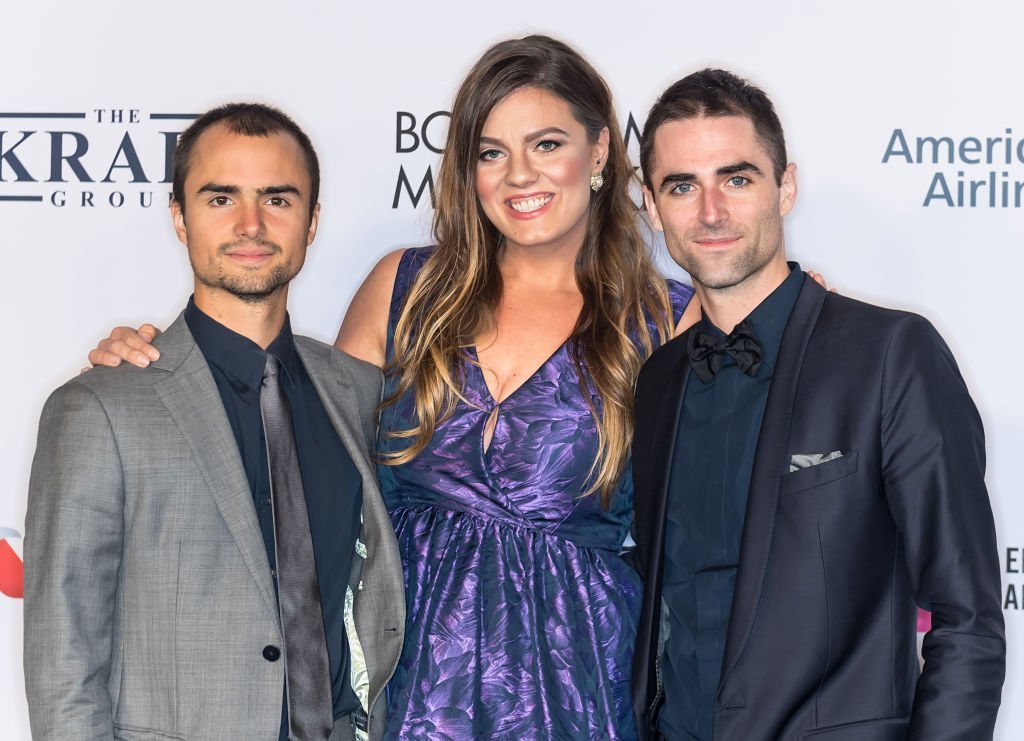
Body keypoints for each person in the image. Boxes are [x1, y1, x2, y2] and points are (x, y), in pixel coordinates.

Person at [88, 36, 697, 739]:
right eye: (491, 152)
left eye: (546, 144)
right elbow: (291, 452)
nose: (518, 175)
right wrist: (158, 373)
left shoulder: (671, 323)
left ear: (598, 153)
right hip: (401, 682)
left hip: (577, 687)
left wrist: (797, 317)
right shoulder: (406, 290)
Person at [630, 69, 1005, 740]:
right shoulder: (658, 381)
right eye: (682, 186)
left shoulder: (888, 354)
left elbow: (967, 617)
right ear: (652, 208)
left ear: (787, 187)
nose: (710, 211)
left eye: (737, 179)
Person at [24, 104, 404, 741]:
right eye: (221, 197)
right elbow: (65, 654)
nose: (250, 224)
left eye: (277, 199)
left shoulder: (358, 391)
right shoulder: (100, 408)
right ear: (179, 216)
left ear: (312, 222)